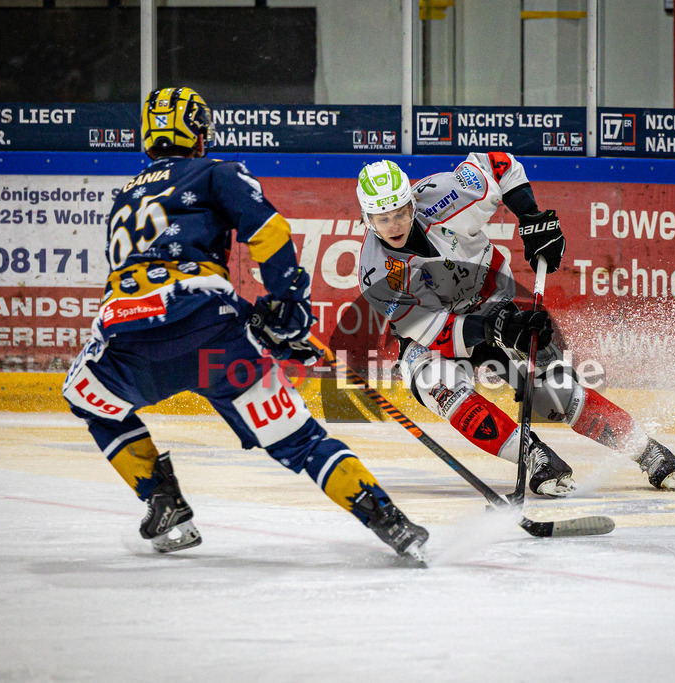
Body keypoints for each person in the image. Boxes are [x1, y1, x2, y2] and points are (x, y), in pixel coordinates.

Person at [62, 87, 427, 559]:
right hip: (214, 343)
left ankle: (162, 500)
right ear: (197, 134)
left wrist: (270, 319)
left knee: (85, 398)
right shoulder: (216, 172)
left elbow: (147, 275)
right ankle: (388, 520)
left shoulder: (124, 198)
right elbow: (268, 232)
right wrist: (289, 310)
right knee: (299, 441)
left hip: (131, 348)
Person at [355, 155, 675, 496]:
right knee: (436, 384)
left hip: (495, 299)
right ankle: (534, 456)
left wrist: (530, 216)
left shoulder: (446, 194)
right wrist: (495, 328)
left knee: (554, 395)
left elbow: (497, 164)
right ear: (368, 220)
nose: (394, 225)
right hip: (437, 336)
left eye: (400, 213)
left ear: (412, 202)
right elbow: (439, 333)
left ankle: (649, 451)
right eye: (382, 218)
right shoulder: (375, 274)